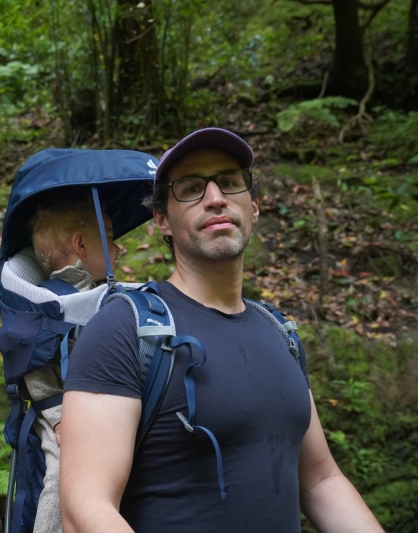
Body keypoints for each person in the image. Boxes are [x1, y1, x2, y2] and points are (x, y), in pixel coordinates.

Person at [58, 128, 384, 532]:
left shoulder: (278, 332)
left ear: (255, 205)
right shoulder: (125, 330)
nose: (215, 199)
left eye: (229, 183)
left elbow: (321, 481)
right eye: (191, 188)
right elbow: (84, 508)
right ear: (161, 219)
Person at [24, 191, 118, 533]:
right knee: (64, 469)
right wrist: (59, 417)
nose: (119, 248)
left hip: (95, 402)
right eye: (109, 238)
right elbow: (32, 364)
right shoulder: (48, 302)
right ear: (80, 244)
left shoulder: (99, 292)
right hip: (58, 411)